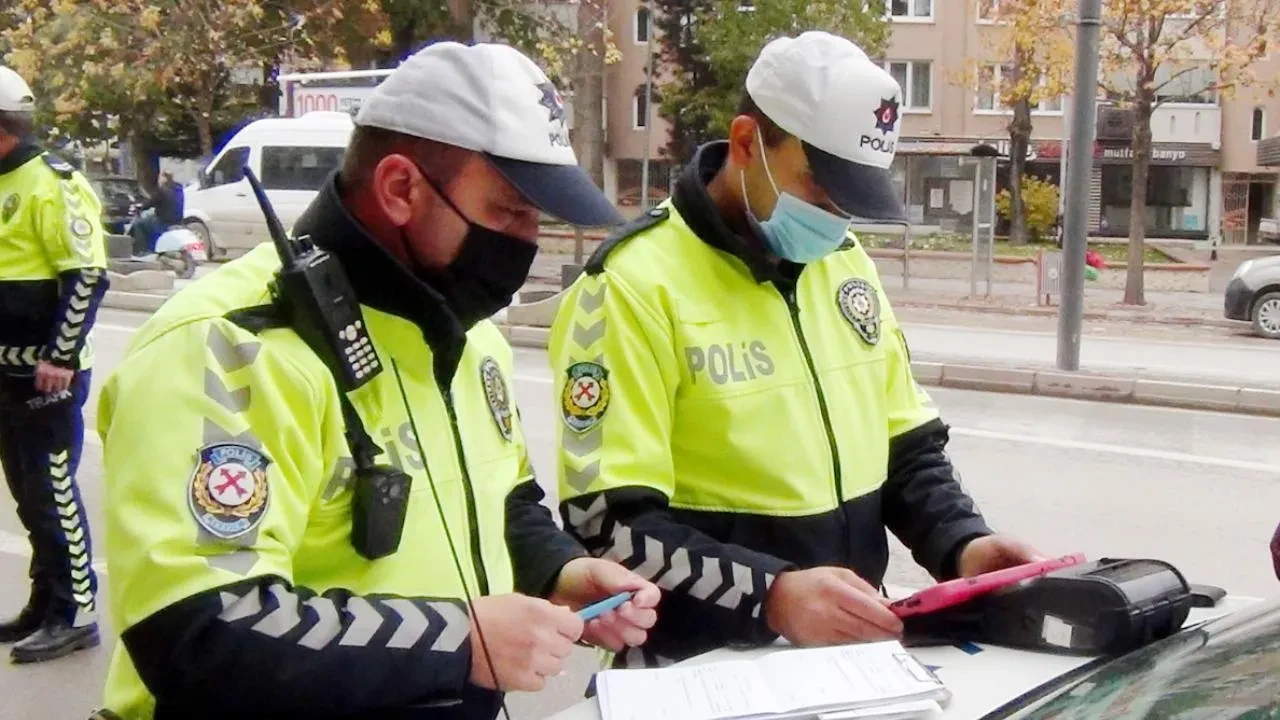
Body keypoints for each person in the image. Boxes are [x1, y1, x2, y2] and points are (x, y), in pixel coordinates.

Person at [94, 42, 659, 719]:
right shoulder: (229, 345)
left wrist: (559, 572)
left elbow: (500, 498)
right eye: (510, 211)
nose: (528, 239)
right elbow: (197, 631)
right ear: (400, 189)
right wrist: (461, 642)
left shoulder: (469, 332)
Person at [549, 31, 1043, 670]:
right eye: (820, 189)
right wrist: (770, 593)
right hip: (696, 672)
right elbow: (605, 523)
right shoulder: (629, 286)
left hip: (848, 654)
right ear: (748, 142)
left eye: (852, 199)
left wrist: (964, 544)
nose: (836, 218)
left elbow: (907, 449)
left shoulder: (845, 266)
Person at [0, 65, 107, 663]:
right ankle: (44, 603)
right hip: (6, 368)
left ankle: (76, 612)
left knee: (53, 490)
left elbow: (87, 275)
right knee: (26, 492)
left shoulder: (53, 182)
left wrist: (61, 357)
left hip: (48, 372)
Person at [129, 171, 184, 256]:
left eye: (160, 178)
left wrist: (140, 207)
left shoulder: (163, 190)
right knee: (150, 218)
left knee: (138, 224)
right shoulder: (179, 189)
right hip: (177, 220)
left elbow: (151, 202)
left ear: (164, 178)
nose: (159, 180)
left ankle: (143, 251)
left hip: (163, 221)